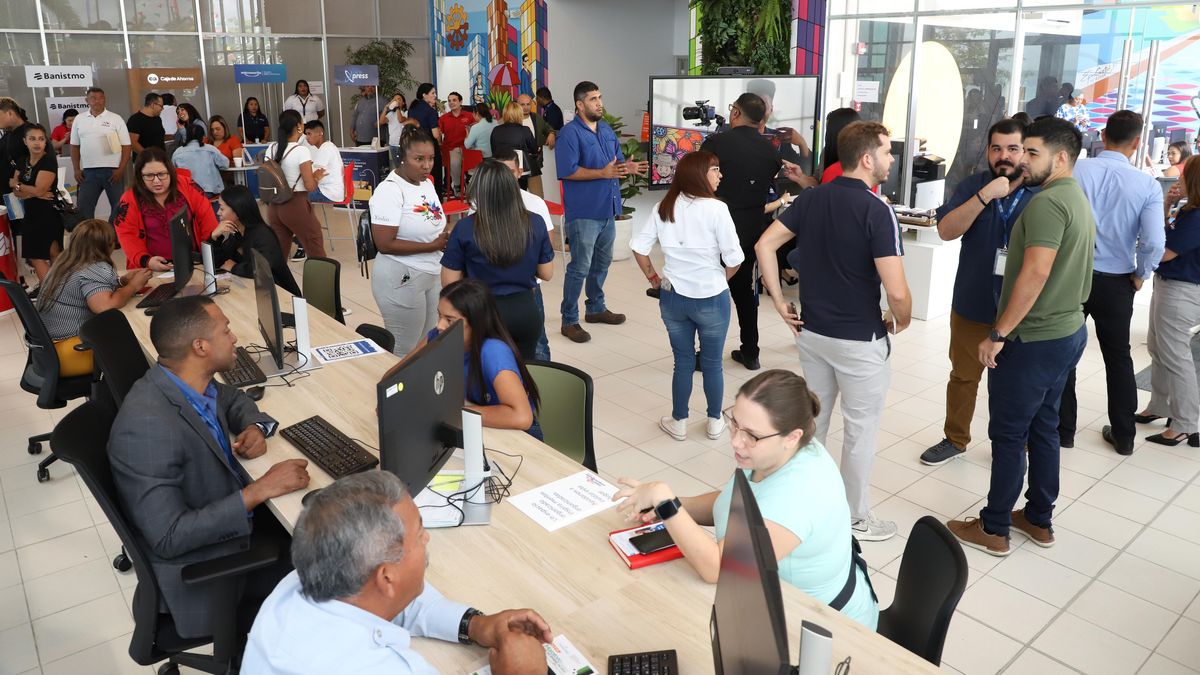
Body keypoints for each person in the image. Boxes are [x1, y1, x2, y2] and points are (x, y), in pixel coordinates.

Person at [109, 295, 310, 643]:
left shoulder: (182, 381)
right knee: (335, 565)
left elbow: (231, 398)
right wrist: (258, 490)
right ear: (200, 347)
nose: (234, 338)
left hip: (223, 521)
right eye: (226, 331)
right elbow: (169, 537)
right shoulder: (147, 426)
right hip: (208, 575)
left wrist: (253, 425)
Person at [612, 370, 879, 629]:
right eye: (734, 424)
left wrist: (665, 500)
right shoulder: (773, 452)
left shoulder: (798, 494)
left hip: (827, 626)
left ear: (792, 436)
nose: (736, 442)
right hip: (769, 599)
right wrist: (670, 507)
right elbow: (732, 503)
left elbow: (717, 568)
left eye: (751, 435)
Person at [754, 121, 912, 543]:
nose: (891, 159)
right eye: (887, 152)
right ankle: (855, 518)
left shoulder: (812, 197)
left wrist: (778, 301)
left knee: (814, 423)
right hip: (859, 340)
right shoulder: (877, 210)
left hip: (813, 334)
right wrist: (903, 318)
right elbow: (897, 291)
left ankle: (804, 503)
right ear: (867, 159)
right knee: (860, 431)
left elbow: (764, 245)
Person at [946, 117, 1094, 556]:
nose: (1022, 160)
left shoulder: (1046, 203)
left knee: (1009, 436)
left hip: (1033, 340)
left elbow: (1035, 273)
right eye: (1020, 150)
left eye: (1032, 152)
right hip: (1066, 332)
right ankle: (1038, 517)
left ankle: (994, 528)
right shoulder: (1075, 196)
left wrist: (998, 332)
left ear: (1061, 157)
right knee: (1044, 427)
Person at [242, 471, 552, 674]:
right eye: (419, 534)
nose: (426, 539)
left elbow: (390, 600)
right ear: (386, 576)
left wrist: (476, 625)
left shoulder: (304, 580)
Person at [920, 118, 1037, 466]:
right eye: (996, 148)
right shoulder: (973, 186)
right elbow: (946, 230)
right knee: (963, 377)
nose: (1004, 156)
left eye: (1013, 149)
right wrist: (985, 196)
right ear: (987, 151)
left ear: (1025, 152)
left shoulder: (1040, 193)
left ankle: (1015, 442)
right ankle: (955, 439)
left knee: (1018, 384)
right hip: (972, 303)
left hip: (1019, 310)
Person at [1057, 110, 1165, 455]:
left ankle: (1063, 431)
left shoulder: (1075, 170)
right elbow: (1154, 242)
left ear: (1103, 135)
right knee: (1118, 358)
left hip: (1071, 275)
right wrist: (1141, 273)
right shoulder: (1146, 184)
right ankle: (1124, 436)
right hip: (1117, 281)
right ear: (1137, 142)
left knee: (1064, 353)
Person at [631, 151, 742, 441]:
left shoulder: (663, 206)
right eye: (715, 169)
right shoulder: (717, 209)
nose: (720, 175)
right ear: (698, 175)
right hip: (712, 298)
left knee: (682, 362)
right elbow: (735, 258)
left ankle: (679, 421)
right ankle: (714, 421)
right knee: (712, 363)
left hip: (673, 298)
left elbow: (639, 248)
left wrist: (654, 279)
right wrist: (720, 279)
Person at [555, 81, 646, 343]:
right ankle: (569, 320)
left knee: (602, 263)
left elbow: (615, 164)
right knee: (580, 267)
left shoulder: (605, 129)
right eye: (593, 99)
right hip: (584, 212)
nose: (599, 103)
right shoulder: (569, 134)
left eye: (600, 97)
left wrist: (627, 167)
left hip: (608, 209)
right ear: (580, 104)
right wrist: (602, 173)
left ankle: (595, 308)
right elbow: (568, 171)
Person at [396, 278, 543, 438]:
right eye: (439, 315)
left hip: (516, 434)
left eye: (449, 320)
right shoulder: (439, 336)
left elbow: (521, 417)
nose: (439, 325)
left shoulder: (493, 352)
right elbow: (398, 373)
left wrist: (447, 413)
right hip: (473, 421)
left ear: (476, 323)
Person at [698, 93, 780, 370]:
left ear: (735, 113)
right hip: (752, 228)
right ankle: (751, 352)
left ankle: (706, 354)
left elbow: (698, 179)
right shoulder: (771, 151)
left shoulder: (717, 143)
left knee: (712, 289)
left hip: (715, 227)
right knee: (744, 291)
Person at [441, 160, 553, 361]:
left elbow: (449, 283)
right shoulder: (535, 222)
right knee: (523, 370)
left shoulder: (465, 228)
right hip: (525, 311)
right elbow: (547, 273)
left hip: (483, 313)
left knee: (486, 371)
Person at [35, 219, 152, 375]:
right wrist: (133, 286)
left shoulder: (65, 260)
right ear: (107, 246)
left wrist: (121, 282)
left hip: (47, 352)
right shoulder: (94, 268)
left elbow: (87, 289)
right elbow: (104, 306)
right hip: (69, 353)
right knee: (138, 346)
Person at [369, 126, 447, 357]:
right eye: (419, 159)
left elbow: (430, 222)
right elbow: (384, 244)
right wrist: (432, 246)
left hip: (431, 272)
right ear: (401, 158)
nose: (426, 165)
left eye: (431, 158)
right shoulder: (389, 190)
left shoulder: (427, 184)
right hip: (400, 276)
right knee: (403, 350)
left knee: (426, 345)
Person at [1141, 157, 1200, 446]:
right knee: (1158, 348)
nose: (1178, 180)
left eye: (1184, 176)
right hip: (1169, 285)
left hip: (1181, 290)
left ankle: (1185, 423)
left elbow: (1164, 252)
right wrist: (1166, 205)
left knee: (1175, 355)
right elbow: (1166, 238)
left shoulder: (1197, 217)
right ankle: (1160, 406)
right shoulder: (1188, 211)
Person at [491, 148, 555, 360]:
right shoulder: (481, 203)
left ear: (519, 172)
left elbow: (548, 247)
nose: (504, 178)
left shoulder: (535, 203)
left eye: (509, 171)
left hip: (529, 287)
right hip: (492, 289)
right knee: (494, 346)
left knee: (538, 344)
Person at [113, 148, 220, 271]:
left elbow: (207, 220)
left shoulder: (188, 186)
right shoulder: (129, 199)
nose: (156, 181)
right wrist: (146, 261)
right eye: (149, 176)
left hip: (193, 263)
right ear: (139, 176)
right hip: (151, 267)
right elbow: (127, 235)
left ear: (170, 172)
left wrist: (209, 255)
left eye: (162, 174)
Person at [210, 185, 301, 296]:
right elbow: (218, 262)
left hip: (282, 296)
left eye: (222, 208)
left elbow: (262, 270)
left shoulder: (262, 234)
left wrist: (234, 267)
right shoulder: (238, 232)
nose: (218, 212)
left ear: (237, 210)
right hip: (256, 292)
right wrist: (214, 237)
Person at [264, 110, 327, 260]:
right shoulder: (301, 151)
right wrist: (317, 177)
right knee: (315, 245)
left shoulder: (271, 148)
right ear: (299, 126)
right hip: (295, 204)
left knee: (279, 256)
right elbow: (310, 186)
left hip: (274, 207)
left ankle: (277, 276)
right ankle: (323, 276)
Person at [9, 124, 65, 282]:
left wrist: (19, 186)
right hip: (30, 214)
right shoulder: (22, 161)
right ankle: (51, 289)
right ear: (25, 141)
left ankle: (60, 289)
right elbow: (16, 192)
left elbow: (38, 190)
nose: (37, 143)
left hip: (48, 213)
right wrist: (31, 192)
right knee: (34, 256)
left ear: (45, 142)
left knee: (54, 254)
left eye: (41, 139)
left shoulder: (48, 161)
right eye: (32, 139)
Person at [70, 87, 131, 221]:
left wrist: (121, 169)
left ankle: (113, 233)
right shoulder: (79, 119)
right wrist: (76, 169)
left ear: (105, 99)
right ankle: (89, 234)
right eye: (93, 98)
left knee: (118, 208)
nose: (97, 101)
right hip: (88, 172)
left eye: (101, 98)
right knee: (84, 208)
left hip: (113, 171)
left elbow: (127, 146)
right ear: (87, 100)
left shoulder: (116, 118)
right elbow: (74, 146)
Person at [172, 123, 229, 196]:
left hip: (187, 193)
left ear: (187, 135)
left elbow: (173, 171)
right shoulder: (210, 149)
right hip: (209, 192)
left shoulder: (177, 152)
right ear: (203, 136)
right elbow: (225, 164)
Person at [407, 83, 444, 196]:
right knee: (433, 175)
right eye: (433, 93)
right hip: (429, 147)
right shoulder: (431, 111)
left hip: (414, 146)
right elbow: (435, 134)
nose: (435, 95)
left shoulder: (412, 109)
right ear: (424, 95)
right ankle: (435, 199)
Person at [489, 102, 537, 190]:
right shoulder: (524, 130)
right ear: (519, 114)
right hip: (519, 170)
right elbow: (534, 149)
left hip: (500, 168)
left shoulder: (496, 130)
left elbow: (493, 150)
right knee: (520, 193)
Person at [516, 93, 555, 196]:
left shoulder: (536, 118)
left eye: (528, 104)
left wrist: (551, 133)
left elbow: (549, 128)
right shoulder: (512, 119)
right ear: (517, 105)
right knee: (518, 198)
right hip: (516, 165)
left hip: (533, 164)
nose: (525, 107)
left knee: (538, 197)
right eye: (522, 104)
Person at [438, 92, 474, 199]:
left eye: (454, 100)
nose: (451, 103)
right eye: (449, 100)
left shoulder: (469, 116)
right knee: (454, 162)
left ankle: (470, 182)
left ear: (460, 102)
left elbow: (475, 131)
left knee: (476, 159)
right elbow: (439, 134)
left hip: (468, 147)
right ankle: (457, 186)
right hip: (452, 148)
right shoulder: (444, 118)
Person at [302, 120, 345, 203]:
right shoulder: (329, 146)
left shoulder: (325, 149)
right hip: (334, 191)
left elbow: (313, 175)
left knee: (297, 196)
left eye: (309, 134)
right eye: (306, 134)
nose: (307, 137)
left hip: (328, 193)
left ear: (320, 133)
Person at [819, 108, 861, 181]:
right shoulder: (826, 152)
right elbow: (817, 181)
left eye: (828, 130)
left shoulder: (863, 162)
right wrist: (800, 177)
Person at [0, 98, 27, 198]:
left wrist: (18, 186)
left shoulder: (31, 133)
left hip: (21, 196)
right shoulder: (9, 134)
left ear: (10, 113)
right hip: (7, 194)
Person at [378, 92, 411, 166]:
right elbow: (381, 121)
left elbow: (400, 120)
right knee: (397, 166)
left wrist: (398, 108)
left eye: (399, 99)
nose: (396, 100)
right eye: (394, 99)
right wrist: (385, 109)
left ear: (403, 103)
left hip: (403, 144)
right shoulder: (391, 114)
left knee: (404, 166)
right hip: (393, 144)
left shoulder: (407, 113)